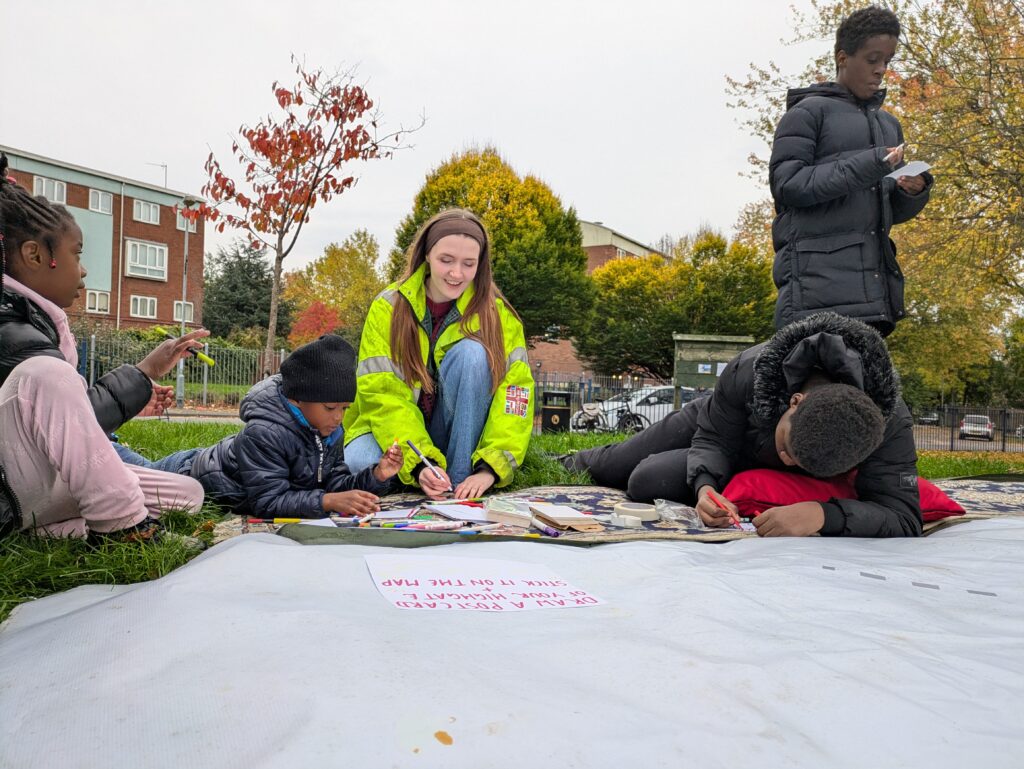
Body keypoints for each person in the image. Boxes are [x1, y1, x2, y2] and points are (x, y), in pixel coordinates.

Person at [563, 312, 921, 538]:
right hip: (727, 428)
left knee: (649, 479)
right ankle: (565, 461)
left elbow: (904, 517)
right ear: (795, 402)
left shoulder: (888, 423)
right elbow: (714, 436)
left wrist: (822, 515)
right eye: (787, 448)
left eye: (802, 464)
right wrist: (705, 487)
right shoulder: (753, 368)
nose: (788, 463)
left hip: (751, 459)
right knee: (620, 463)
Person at [0, 156, 206, 540]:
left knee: (186, 494)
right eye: (77, 254)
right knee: (46, 374)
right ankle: (123, 528)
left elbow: (66, 423)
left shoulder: (36, 320)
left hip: (34, 483)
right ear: (35, 256)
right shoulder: (8, 324)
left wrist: (139, 387)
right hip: (11, 482)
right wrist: (144, 374)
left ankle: (49, 531)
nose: (83, 270)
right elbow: (58, 403)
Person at [343, 208, 534, 500]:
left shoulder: (499, 316)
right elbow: (383, 395)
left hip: (458, 435)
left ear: (480, 265)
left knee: (472, 354)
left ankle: (457, 483)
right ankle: (425, 476)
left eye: (468, 264)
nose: (456, 274)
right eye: (446, 260)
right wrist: (420, 462)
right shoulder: (388, 307)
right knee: (360, 460)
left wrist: (490, 468)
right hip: (399, 433)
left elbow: (515, 396)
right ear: (427, 256)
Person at [770, 5, 933, 336]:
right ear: (843, 58)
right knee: (819, 389)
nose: (881, 70)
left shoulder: (889, 126)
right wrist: (870, 164)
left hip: (874, 297)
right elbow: (787, 186)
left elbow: (885, 212)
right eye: (872, 60)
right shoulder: (806, 114)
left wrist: (911, 191)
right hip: (814, 297)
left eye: (886, 61)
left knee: (865, 389)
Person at [180, 334, 404, 518]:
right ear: (298, 399)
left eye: (344, 408)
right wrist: (327, 501)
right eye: (330, 407)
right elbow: (268, 502)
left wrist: (377, 475)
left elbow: (335, 483)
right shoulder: (264, 433)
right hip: (191, 473)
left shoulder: (331, 430)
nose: (338, 417)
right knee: (147, 471)